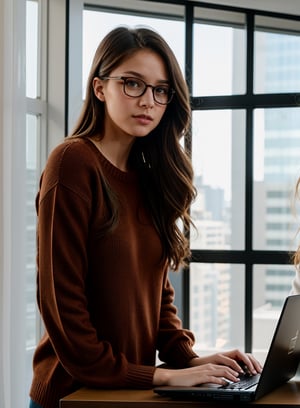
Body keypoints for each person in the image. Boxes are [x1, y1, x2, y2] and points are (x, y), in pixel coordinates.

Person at [29, 26, 262, 408]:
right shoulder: (73, 163)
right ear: (100, 88)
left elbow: (155, 292)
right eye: (133, 84)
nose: (148, 101)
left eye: (161, 90)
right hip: (73, 394)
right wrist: (164, 374)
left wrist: (191, 360)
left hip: (127, 393)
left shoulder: (147, 175)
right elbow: (63, 309)